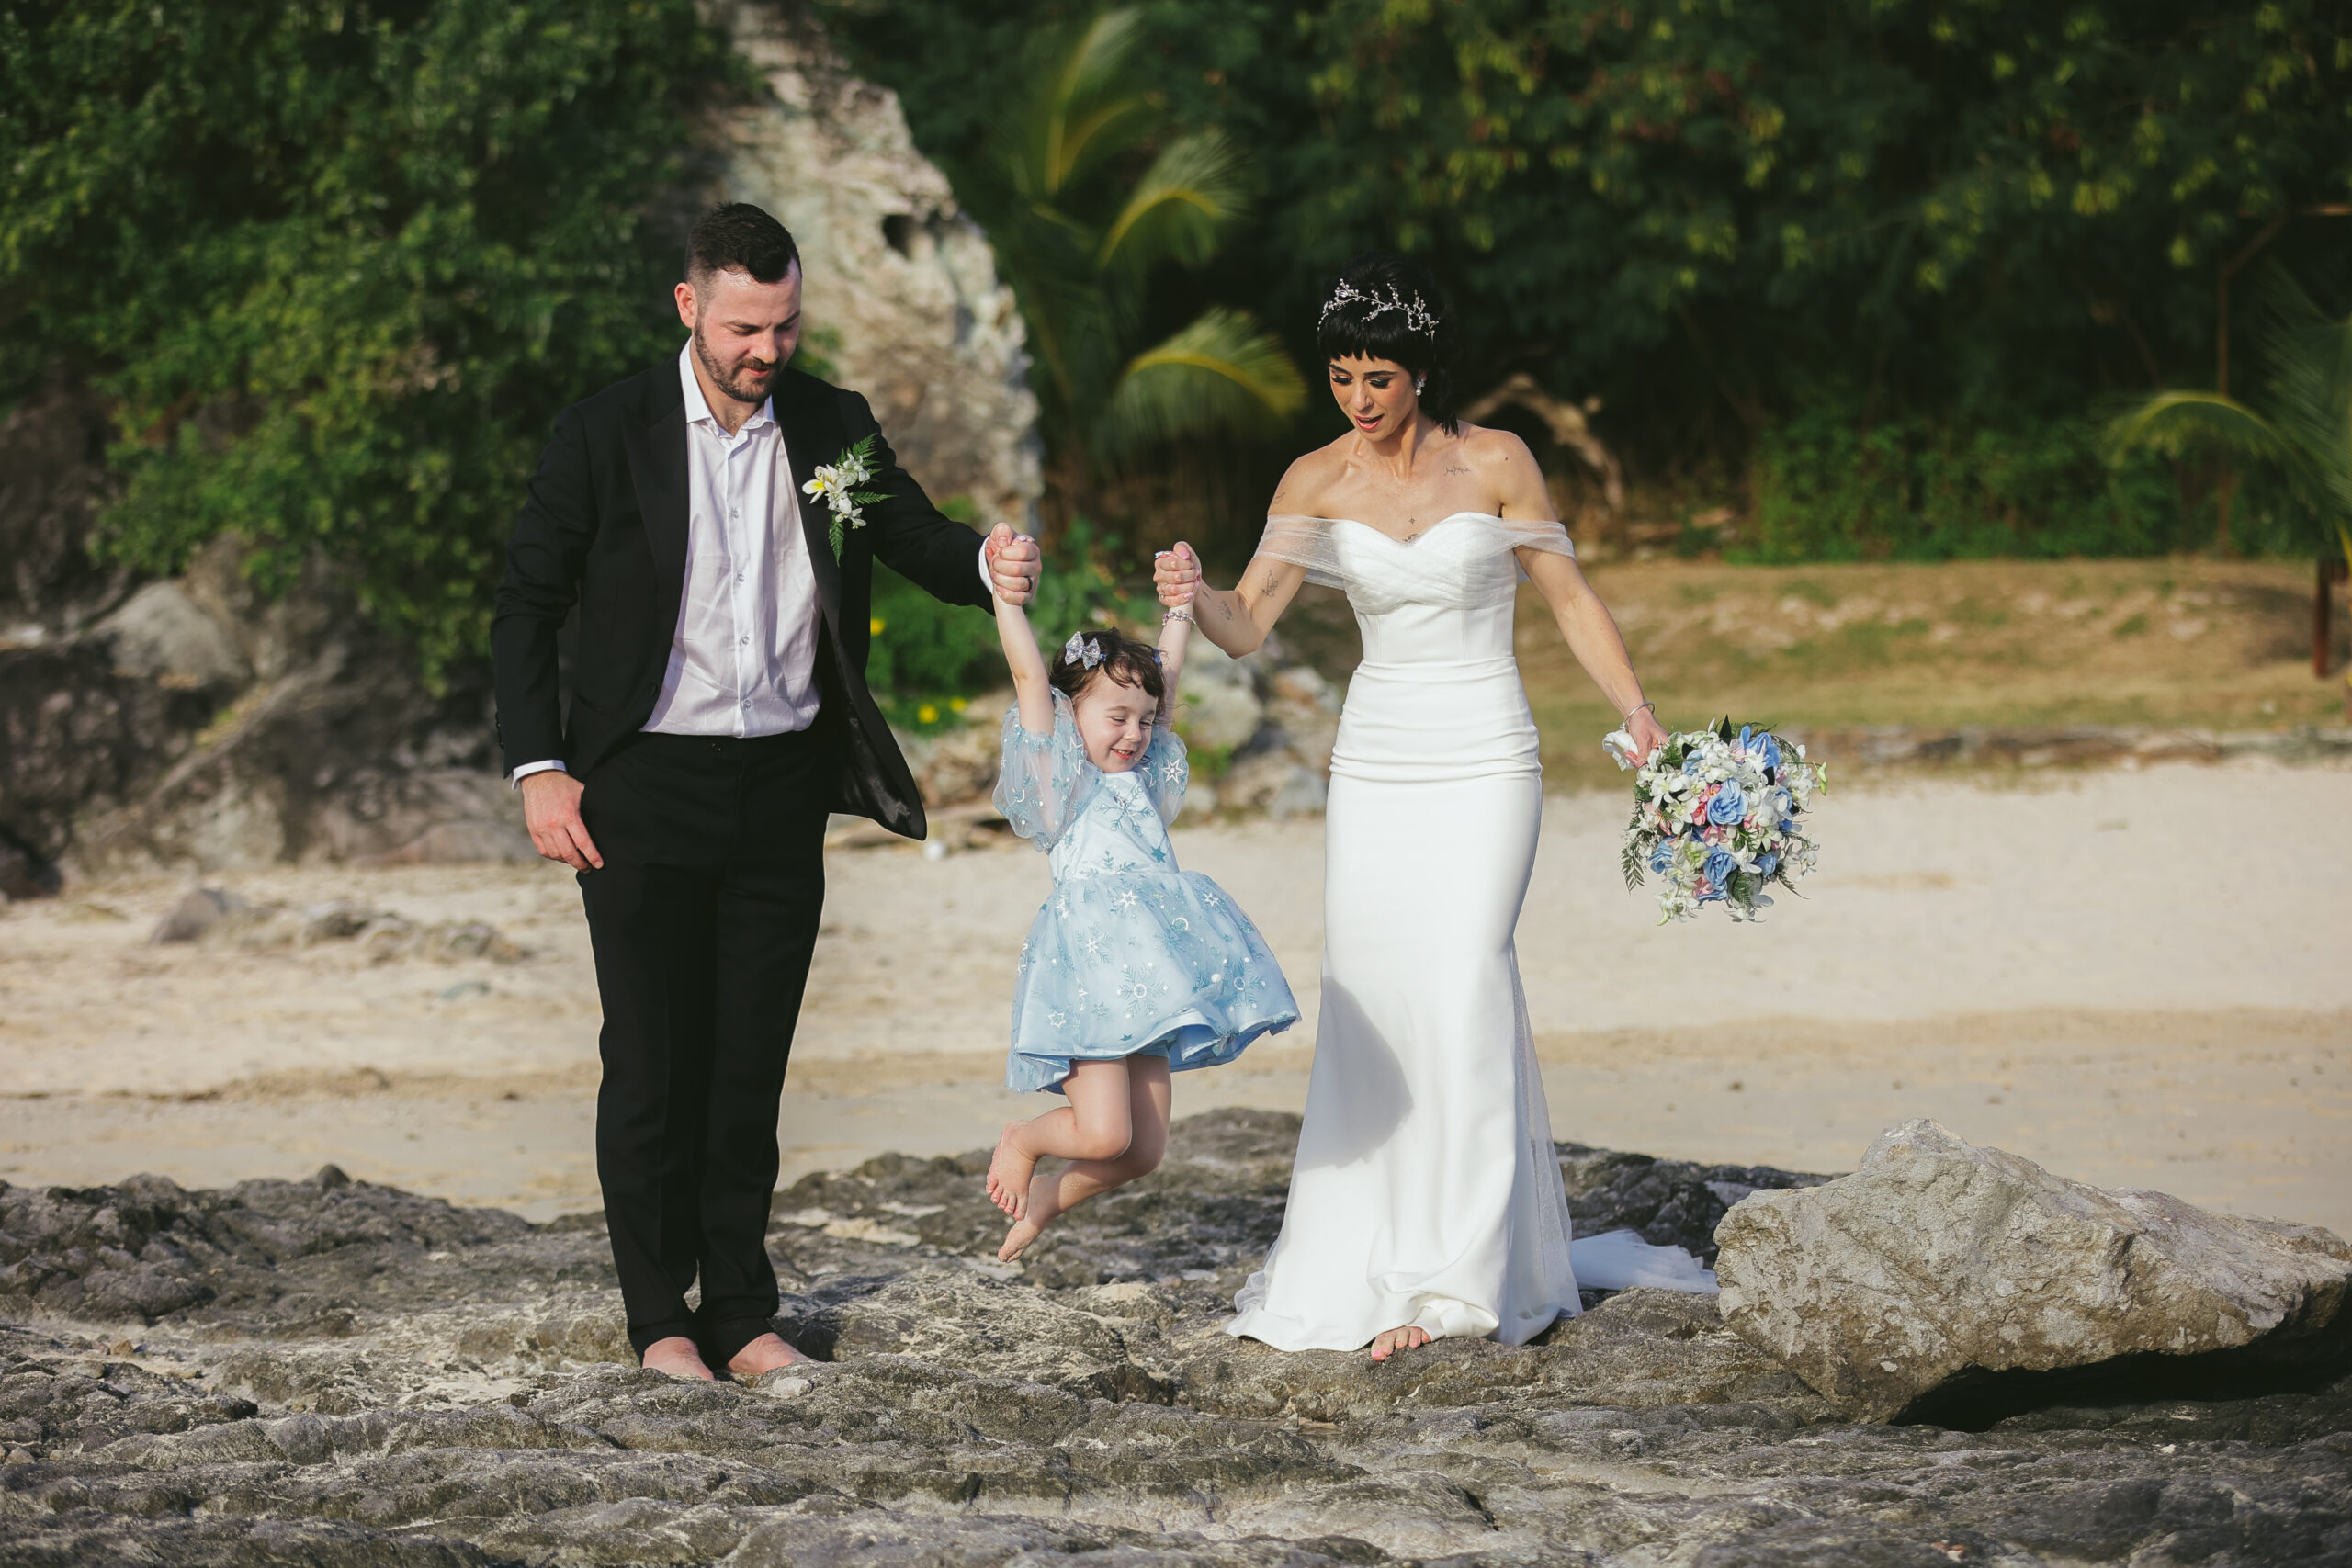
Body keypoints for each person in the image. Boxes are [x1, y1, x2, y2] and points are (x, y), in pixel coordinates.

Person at [491, 202, 1041, 1381]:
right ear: (689, 305)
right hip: (639, 786)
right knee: (651, 1064)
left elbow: (911, 535)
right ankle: (659, 1321)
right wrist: (541, 769)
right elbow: (527, 604)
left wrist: (986, 562)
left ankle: (741, 1314)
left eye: (784, 325)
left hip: (782, 784)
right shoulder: (605, 431)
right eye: (745, 328)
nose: (767, 350)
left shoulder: (832, 424)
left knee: (748, 1064)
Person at [1152, 251, 1713, 1361]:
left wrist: (1639, 712)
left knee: (1463, 974)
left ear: (1420, 371)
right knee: (1372, 987)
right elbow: (1247, 624)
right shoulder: (1313, 479)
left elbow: (1568, 598)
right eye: (1340, 378)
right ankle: (1372, 1254)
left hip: (1487, 749)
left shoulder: (1498, 461)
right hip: (1377, 759)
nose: (1358, 400)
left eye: (1378, 378)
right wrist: (1196, 592)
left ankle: (1462, 1278)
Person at [980, 587, 1299, 1262]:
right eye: (1117, 717)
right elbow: (1030, 676)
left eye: (1146, 720)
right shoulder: (1061, 782)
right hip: (1093, 978)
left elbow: (1167, 682)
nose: (1134, 733)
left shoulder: (1147, 775)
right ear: (1071, 715)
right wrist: (1005, 597)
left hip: (1153, 981)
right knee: (1103, 1135)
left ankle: (1049, 1198)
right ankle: (1025, 1140)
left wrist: (1180, 608)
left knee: (1143, 1151)